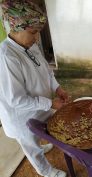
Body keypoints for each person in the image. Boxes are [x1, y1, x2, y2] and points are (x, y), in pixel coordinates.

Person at [0, 1, 68, 177]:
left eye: (38, 32)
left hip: (40, 104)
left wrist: (57, 87)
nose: (37, 37)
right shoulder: (7, 57)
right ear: (16, 28)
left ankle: (40, 145)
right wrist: (50, 102)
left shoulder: (30, 45)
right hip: (21, 115)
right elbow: (16, 100)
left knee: (38, 132)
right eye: (33, 32)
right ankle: (45, 171)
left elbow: (46, 70)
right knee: (30, 143)